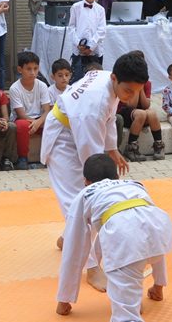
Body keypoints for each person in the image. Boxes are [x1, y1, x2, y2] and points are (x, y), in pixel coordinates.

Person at [55, 154, 172, 322]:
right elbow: (150, 240)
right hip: (159, 228)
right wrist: (158, 285)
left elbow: (75, 248)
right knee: (143, 241)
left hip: (125, 237)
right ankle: (156, 289)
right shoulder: (135, 185)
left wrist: (65, 299)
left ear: (86, 181)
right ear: (116, 175)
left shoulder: (85, 194)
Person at [41, 51, 141, 291]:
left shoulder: (110, 81)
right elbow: (93, 164)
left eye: (136, 91)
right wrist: (105, 186)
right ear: (115, 79)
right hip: (62, 140)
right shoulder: (93, 105)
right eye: (128, 90)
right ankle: (93, 269)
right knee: (80, 202)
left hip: (76, 127)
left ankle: (69, 238)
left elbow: (108, 118)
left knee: (86, 198)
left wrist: (113, 148)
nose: (131, 97)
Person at [10, 51, 52, 168]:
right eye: (28, 69)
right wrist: (34, 122)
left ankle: (49, 157)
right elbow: (21, 114)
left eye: (35, 68)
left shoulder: (42, 85)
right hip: (23, 119)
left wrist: (38, 122)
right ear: (20, 70)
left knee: (53, 122)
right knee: (22, 125)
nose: (33, 72)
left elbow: (47, 110)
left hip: (39, 120)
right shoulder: (14, 88)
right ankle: (22, 158)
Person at [116, 76, 163, 163]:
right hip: (125, 113)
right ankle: (131, 148)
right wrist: (136, 89)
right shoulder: (125, 83)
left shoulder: (147, 83)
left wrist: (141, 88)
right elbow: (131, 105)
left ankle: (158, 145)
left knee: (152, 113)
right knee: (141, 114)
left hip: (140, 114)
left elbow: (146, 105)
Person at [68, 0, 107, 81]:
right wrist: (79, 44)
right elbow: (71, 27)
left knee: (95, 79)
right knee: (78, 78)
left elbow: (102, 30)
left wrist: (91, 46)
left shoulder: (100, 10)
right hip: (79, 50)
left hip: (95, 51)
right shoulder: (75, 7)